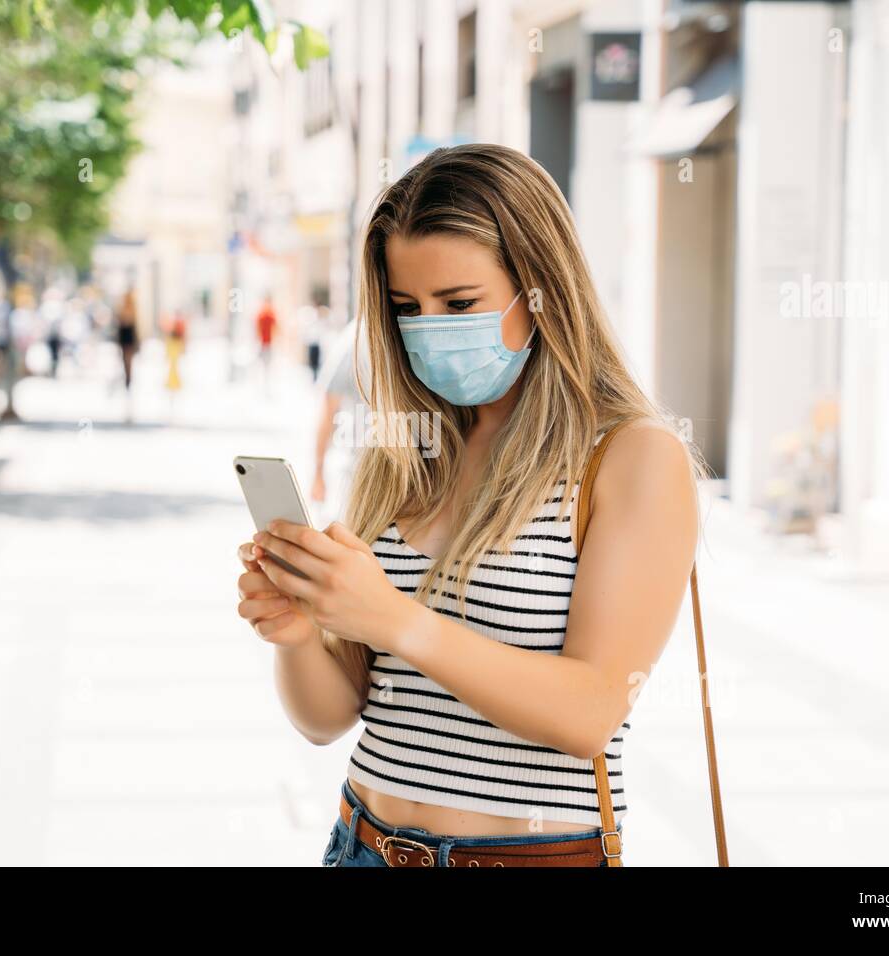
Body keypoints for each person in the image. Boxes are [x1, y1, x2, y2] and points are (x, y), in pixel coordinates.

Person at [234, 144, 704, 867]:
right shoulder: (403, 450)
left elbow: (589, 712)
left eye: (458, 304)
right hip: (359, 841)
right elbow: (329, 720)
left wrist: (391, 616)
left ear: (542, 287)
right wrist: (299, 630)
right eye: (405, 308)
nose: (428, 329)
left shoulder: (633, 456)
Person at [310, 315, 371, 526]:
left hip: (360, 474)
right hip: (358, 476)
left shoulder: (354, 337)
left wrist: (318, 473)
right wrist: (318, 472)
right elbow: (329, 407)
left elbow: (329, 408)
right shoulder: (356, 338)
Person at [115, 286, 138, 391]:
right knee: (125, 359)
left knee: (128, 360)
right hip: (124, 337)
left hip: (128, 338)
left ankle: (128, 378)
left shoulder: (132, 310)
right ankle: (127, 377)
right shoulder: (123, 310)